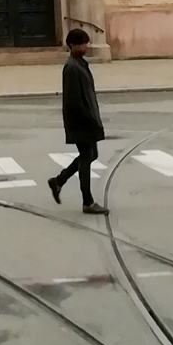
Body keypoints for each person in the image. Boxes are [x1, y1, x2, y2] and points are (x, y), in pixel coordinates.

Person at [48, 28, 108, 216]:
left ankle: (59, 181)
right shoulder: (72, 67)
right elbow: (74, 101)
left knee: (90, 155)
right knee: (86, 157)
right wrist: (90, 119)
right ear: (72, 45)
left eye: (87, 43)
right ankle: (87, 201)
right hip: (81, 120)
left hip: (86, 118)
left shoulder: (80, 64)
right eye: (82, 44)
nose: (86, 47)